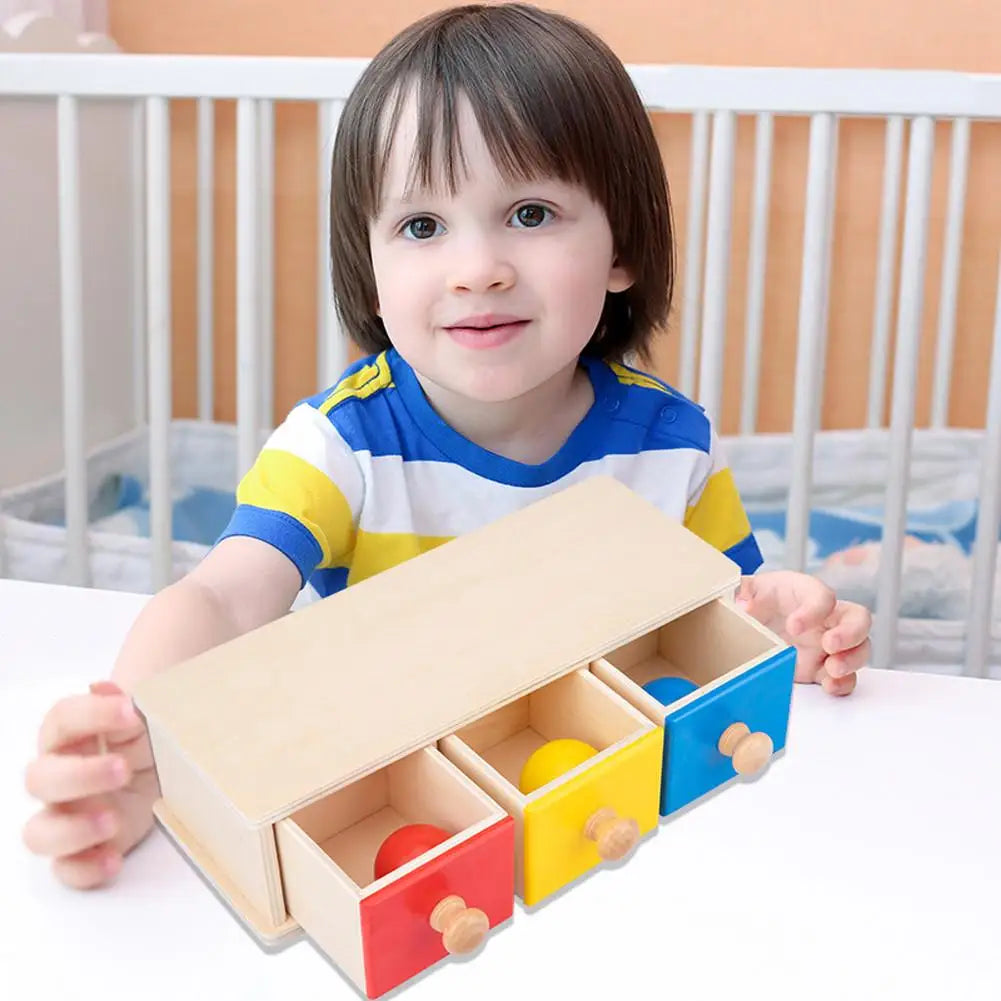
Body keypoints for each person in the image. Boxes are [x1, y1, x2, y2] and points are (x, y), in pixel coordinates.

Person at [21, 2, 872, 891]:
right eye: (422, 227)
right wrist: (138, 745)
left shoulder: (669, 445)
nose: (478, 267)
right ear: (372, 269)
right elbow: (224, 602)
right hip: (396, 822)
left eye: (531, 212)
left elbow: (728, 622)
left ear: (621, 245)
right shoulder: (341, 446)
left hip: (608, 821)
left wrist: (793, 630)